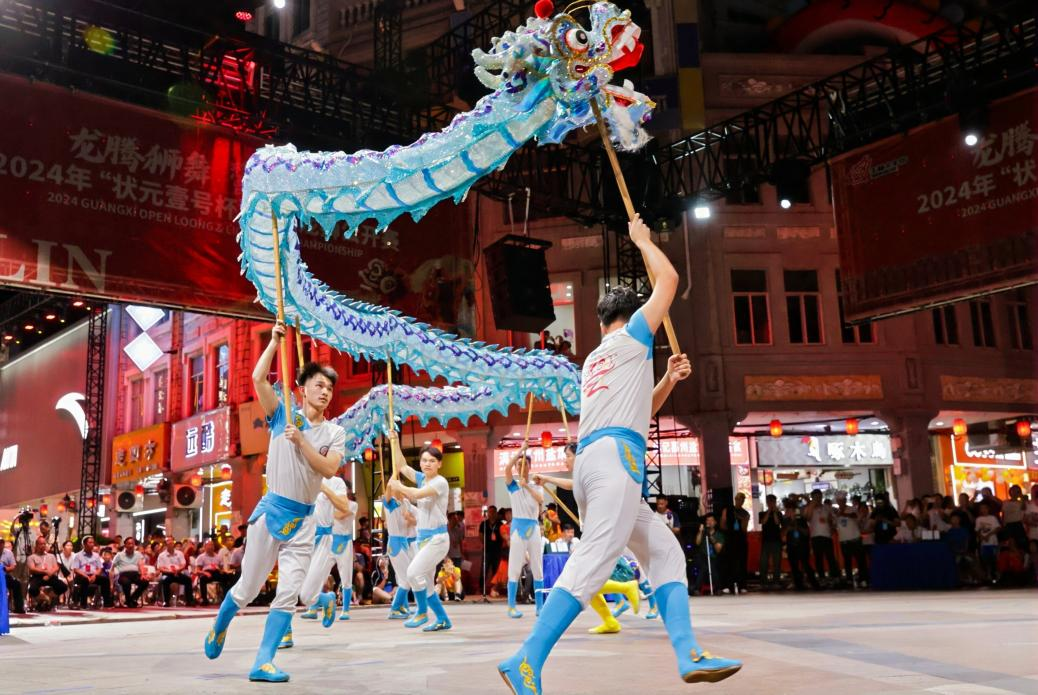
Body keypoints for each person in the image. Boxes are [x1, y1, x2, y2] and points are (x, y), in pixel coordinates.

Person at [499, 215, 740, 694]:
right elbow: (668, 280)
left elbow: (635, 410)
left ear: (599, 322)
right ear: (632, 317)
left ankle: (688, 650)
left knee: (665, 551)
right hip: (614, 463)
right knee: (595, 558)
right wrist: (643, 241)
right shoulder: (634, 336)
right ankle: (526, 658)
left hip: (596, 461)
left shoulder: (596, 358)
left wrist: (668, 381)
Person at [204, 323, 346, 684]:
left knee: (288, 594)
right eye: (319, 385)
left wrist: (302, 442)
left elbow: (329, 467)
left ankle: (263, 661)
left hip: (305, 521)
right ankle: (220, 626)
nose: (325, 392)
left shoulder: (335, 432)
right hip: (270, 514)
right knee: (248, 590)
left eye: (330, 388)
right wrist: (273, 343)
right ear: (303, 388)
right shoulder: (283, 412)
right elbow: (257, 380)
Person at [387, 433, 453, 632]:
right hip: (423, 539)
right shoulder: (422, 478)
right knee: (429, 585)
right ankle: (442, 619)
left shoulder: (440, 482)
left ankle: (422, 612)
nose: (427, 464)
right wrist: (395, 441)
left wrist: (398, 486)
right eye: (424, 460)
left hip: (438, 539)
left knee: (413, 573)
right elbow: (401, 465)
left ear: (439, 464)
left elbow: (415, 494)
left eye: (432, 461)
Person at [298, 472, 357, 630]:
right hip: (306, 539)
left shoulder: (338, 486)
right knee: (294, 586)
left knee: (345, 576)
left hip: (333, 541)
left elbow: (342, 510)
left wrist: (323, 488)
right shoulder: (302, 479)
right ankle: (288, 630)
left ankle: (343, 608)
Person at [504, 450, 545, 618]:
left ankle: (540, 607)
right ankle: (511, 606)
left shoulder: (537, 485)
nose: (522, 466)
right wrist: (520, 451)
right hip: (518, 529)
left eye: (525, 464)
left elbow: (540, 500)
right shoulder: (512, 485)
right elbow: (507, 468)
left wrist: (526, 485)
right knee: (514, 567)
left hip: (534, 527)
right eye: (519, 464)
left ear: (530, 467)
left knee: (537, 567)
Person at [382, 488, 418, 619]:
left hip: (403, 542)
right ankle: (395, 608)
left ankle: (402, 607)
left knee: (407, 577)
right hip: (395, 543)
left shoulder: (405, 503)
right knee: (405, 578)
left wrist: (410, 519)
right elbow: (390, 488)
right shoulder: (390, 503)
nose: (403, 491)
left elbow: (415, 519)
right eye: (400, 489)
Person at [784, 497, 819, 591]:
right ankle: (798, 584)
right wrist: (790, 526)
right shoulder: (786, 521)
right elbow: (783, 534)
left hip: (802, 546)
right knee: (794, 566)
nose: (789, 512)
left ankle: (814, 583)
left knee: (805, 564)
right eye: (787, 510)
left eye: (791, 510)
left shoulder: (801, 519)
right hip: (791, 545)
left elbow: (806, 532)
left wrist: (797, 526)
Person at [835, 494, 867, 587]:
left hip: (855, 539)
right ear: (837, 502)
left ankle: (863, 579)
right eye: (839, 500)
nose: (841, 502)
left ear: (845, 500)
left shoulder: (852, 509)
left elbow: (854, 516)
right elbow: (835, 524)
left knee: (860, 560)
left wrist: (843, 514)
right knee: (847, 561)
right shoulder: (836, 512)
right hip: (844, 540)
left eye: (842, 500)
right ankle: (849, 580)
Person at [71, 536, 112, 609]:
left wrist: (94, 575)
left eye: (93, 542)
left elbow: (100, 568)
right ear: (84, 544)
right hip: (82, 576)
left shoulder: (96, 556)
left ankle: (107, 603)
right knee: (85, 580)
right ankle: (83, 604)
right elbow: (76, 569)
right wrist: (86, 576)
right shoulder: (78, 555)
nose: (92, 544)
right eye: (90, 542)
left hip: (93, 575)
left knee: (105, 580)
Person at [26, 536, 67, 609]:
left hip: (50, 576)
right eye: (41, 544)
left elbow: (56, 567)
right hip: (37, 577)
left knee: (63, 586)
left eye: (44, 544)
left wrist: (49, 574)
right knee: (32, 589)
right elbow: (32, 569)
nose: (43, 546)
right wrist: (44, 571)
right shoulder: (31, 557)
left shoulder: (51, 556)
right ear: (37, 545)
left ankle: (49, 597)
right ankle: (45, 598)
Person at [720, 492, 750, 591]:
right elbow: (722, 524)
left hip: (740, 539)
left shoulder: (745, 513)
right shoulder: (727, 510)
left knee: (741, 562)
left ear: (743, 501)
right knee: (728, 562)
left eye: (741, 499)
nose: (739, 501)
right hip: (730, 538)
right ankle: (728, 585)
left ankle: (742, 585)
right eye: (737, 499)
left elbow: (744, 529)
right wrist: (728, 531)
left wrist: (741, 520)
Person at [691, 513, 724, 595]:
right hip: (702, 556)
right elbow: (697, 542)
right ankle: (696, 589)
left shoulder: (719, 535)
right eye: (707, 520)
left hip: (713, 557)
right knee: (704, 567)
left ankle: (718, 588)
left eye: (711, 520)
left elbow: (718, 549)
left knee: (713, 567)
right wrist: (700, 532)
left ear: (715, 522)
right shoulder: (703, 533)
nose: (709, 522)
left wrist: (710, 537)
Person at [157, 537, 194, 607]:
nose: (170, 543)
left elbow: (183, 564)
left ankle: (190, 601)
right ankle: (166, 601)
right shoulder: (161, 555)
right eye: (168, 542)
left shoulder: (179, 553)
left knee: (188, 580)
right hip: (167, 574)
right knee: (164, 580)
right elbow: (160, 568)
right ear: (165, 544)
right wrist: (170, 571)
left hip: (178, 573)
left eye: (171, 541)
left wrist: (178, 570)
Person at [112, 538, 148, 608]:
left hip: (135, 574)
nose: (131, 545)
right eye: (129, 543)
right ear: (125, 545)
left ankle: (132, 598)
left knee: (145, 582)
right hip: (123, 575)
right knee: (126, 582)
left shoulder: (138, 554)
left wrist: (143, 574)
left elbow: (141, 565)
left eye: (132, 544)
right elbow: (112, 568)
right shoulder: (119, 555)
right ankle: (129, 600)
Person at [758, 494, 783, 589]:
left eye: (772, 501)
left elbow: (777, 523)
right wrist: (769, 511)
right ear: (767, 502)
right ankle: (763, 582)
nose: (771, 503)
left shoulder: (779, 513)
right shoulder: (762, 513)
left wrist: (775, 512)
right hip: (766, 541)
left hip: (776, 540)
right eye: (769, 501)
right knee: (763, 562)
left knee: (777, 562)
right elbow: (763, 522)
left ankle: (776, 581)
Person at [194, 539, 227, 606]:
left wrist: (222, 571)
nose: (210, 547)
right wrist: (204, 573)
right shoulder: (201, 557)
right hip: (206, 572)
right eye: (208, 545)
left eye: (212, 545)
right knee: (202, 579)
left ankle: (226, 598)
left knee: (226, 577)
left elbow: (221, 568)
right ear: (205, 547)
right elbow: (197, 570)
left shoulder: (218, 556)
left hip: (216, 572)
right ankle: (204, 599)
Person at [480, 505, 503, 597]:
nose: (491, 514)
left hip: (497, 550)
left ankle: (495, 589)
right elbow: (480, 536)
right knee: (484, 569)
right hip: (487, 550)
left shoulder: (500, 524)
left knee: (496, 570)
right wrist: (485, 544)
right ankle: (482, 589)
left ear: (496, 513)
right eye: (490, 512)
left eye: (493, 512)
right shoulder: (484, 524)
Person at [975, 502, 1001, 584]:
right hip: (984, 543)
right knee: (986, 560)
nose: (983, 510)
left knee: (994, 559)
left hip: (992, 542)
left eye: (985, 508)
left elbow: (997, 528)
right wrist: (981, 537)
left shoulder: (992, 518)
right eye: (981, 508)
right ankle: (988, 575)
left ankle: (996, 575)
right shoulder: (978, 519)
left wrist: (988, 535)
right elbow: (977, 530)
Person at [1, 539, 25, 614]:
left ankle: (19, 607)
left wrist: (5, 568)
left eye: (1, 543)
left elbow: (13, 566)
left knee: (16, 584)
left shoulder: (8, 553)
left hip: (4, 575)